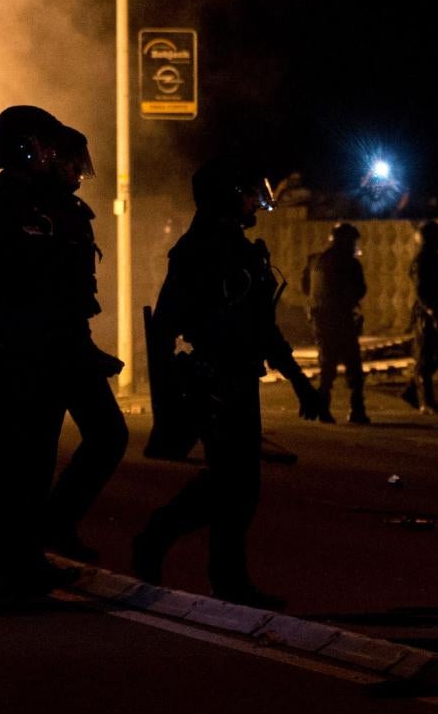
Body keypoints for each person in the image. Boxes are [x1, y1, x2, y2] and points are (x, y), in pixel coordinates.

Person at [0, 104, 128, 596]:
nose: (58, 157)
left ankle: (26, 558)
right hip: (10, 360)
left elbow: (67, 294)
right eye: (48, 147)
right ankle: (3, 571)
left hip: (56, 354)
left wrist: (80, 350)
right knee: (11, 467)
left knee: (38, 462)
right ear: (27, 148)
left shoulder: (61, 208)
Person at [133, 160, 327, 607]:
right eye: (244, 193)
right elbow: (166, 323)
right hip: (214, 382)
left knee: (237, 483)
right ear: (224, 198)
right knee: (234, 483)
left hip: (241, 377)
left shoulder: (241, 250)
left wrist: (299, 381)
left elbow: (264, 330)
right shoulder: (196, 251)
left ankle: (213, 569)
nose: (252, 201)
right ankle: (190, 557)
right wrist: (179, 388)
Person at [301, 222, 370, 424]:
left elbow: (305, 288)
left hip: (320, 319)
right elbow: (359, 290)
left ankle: (323, 408)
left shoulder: (315, 260)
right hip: (341, 319)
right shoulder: (349, 263)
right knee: (353, 366)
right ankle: (357, 410)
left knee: (327, 365)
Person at [400, 221, 438, 412]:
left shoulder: (436, 259)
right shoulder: (422, 261)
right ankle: (426, 402)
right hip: (425, 315)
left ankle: (411, 391)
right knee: (425, 357)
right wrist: (434, 316)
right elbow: (422, 291)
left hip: (432, 311)